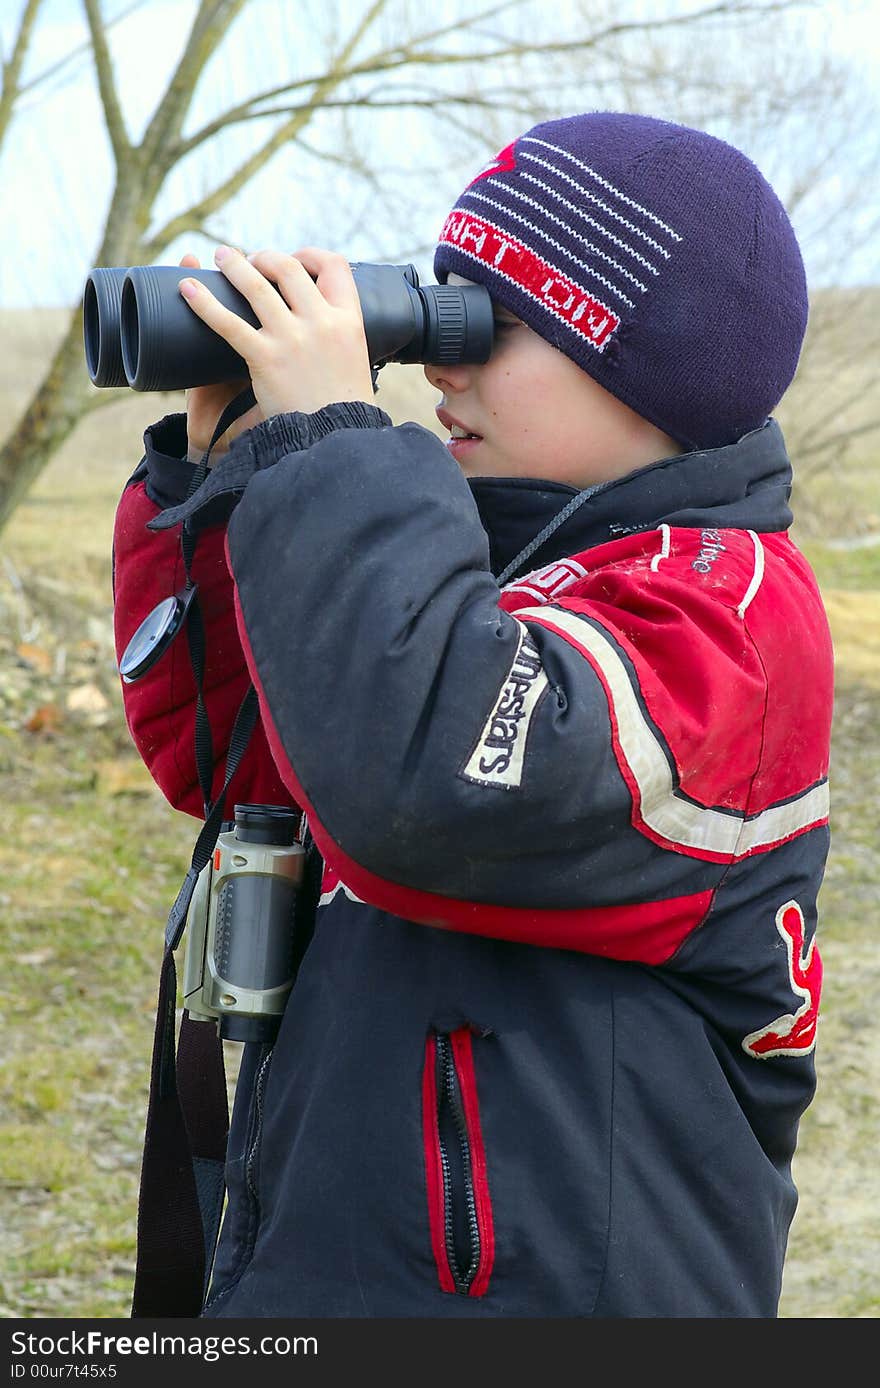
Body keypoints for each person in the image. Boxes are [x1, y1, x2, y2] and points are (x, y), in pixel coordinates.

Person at [111, 111, 833, 1318]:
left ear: (647, 371)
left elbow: (429, 782)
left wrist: (334, 452)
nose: (442, 363)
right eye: (439, 309)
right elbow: (235, 756)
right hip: (348, 1253)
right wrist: (233, 471)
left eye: (492, 328)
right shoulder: (470, 563)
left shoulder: (728, 618)